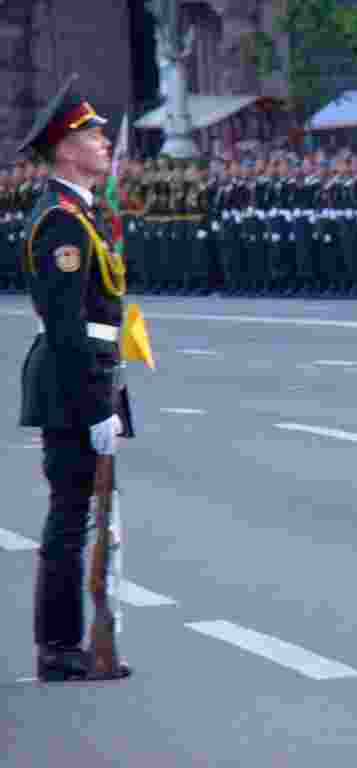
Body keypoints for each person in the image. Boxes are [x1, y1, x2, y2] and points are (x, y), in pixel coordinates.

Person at [16, 74, 132, 682]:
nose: (104, 142)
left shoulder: (83, 212)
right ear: (65, 147)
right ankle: (58, 648)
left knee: (87, 512)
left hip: (91, 376)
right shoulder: (60, 220)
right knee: (70, 517)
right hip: (72, 386)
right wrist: (95, 409)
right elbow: (65, 327)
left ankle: (76, 642)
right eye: (93, 134)